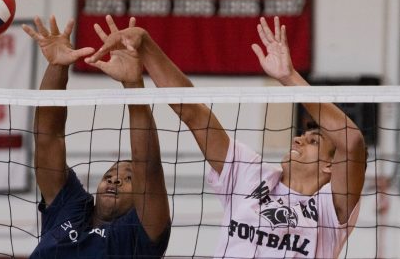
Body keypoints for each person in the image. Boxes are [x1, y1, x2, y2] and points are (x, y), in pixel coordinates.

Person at [84, 16, 367, 258]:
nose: (298, 140)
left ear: (330, 166)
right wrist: (146, 45)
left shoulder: (331, 207)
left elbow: (351, 140)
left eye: (313, 141)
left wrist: (289, 78)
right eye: (302, 136)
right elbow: (194, 112)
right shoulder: (252, 175)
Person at [22, 15, 171, 258]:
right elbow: (48, 137)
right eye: (109, 175)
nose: (114, 181)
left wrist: (133, 86)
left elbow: (148, 166)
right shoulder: (71, 207)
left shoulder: (139, 234)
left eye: (128, 179)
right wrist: (57, 66)